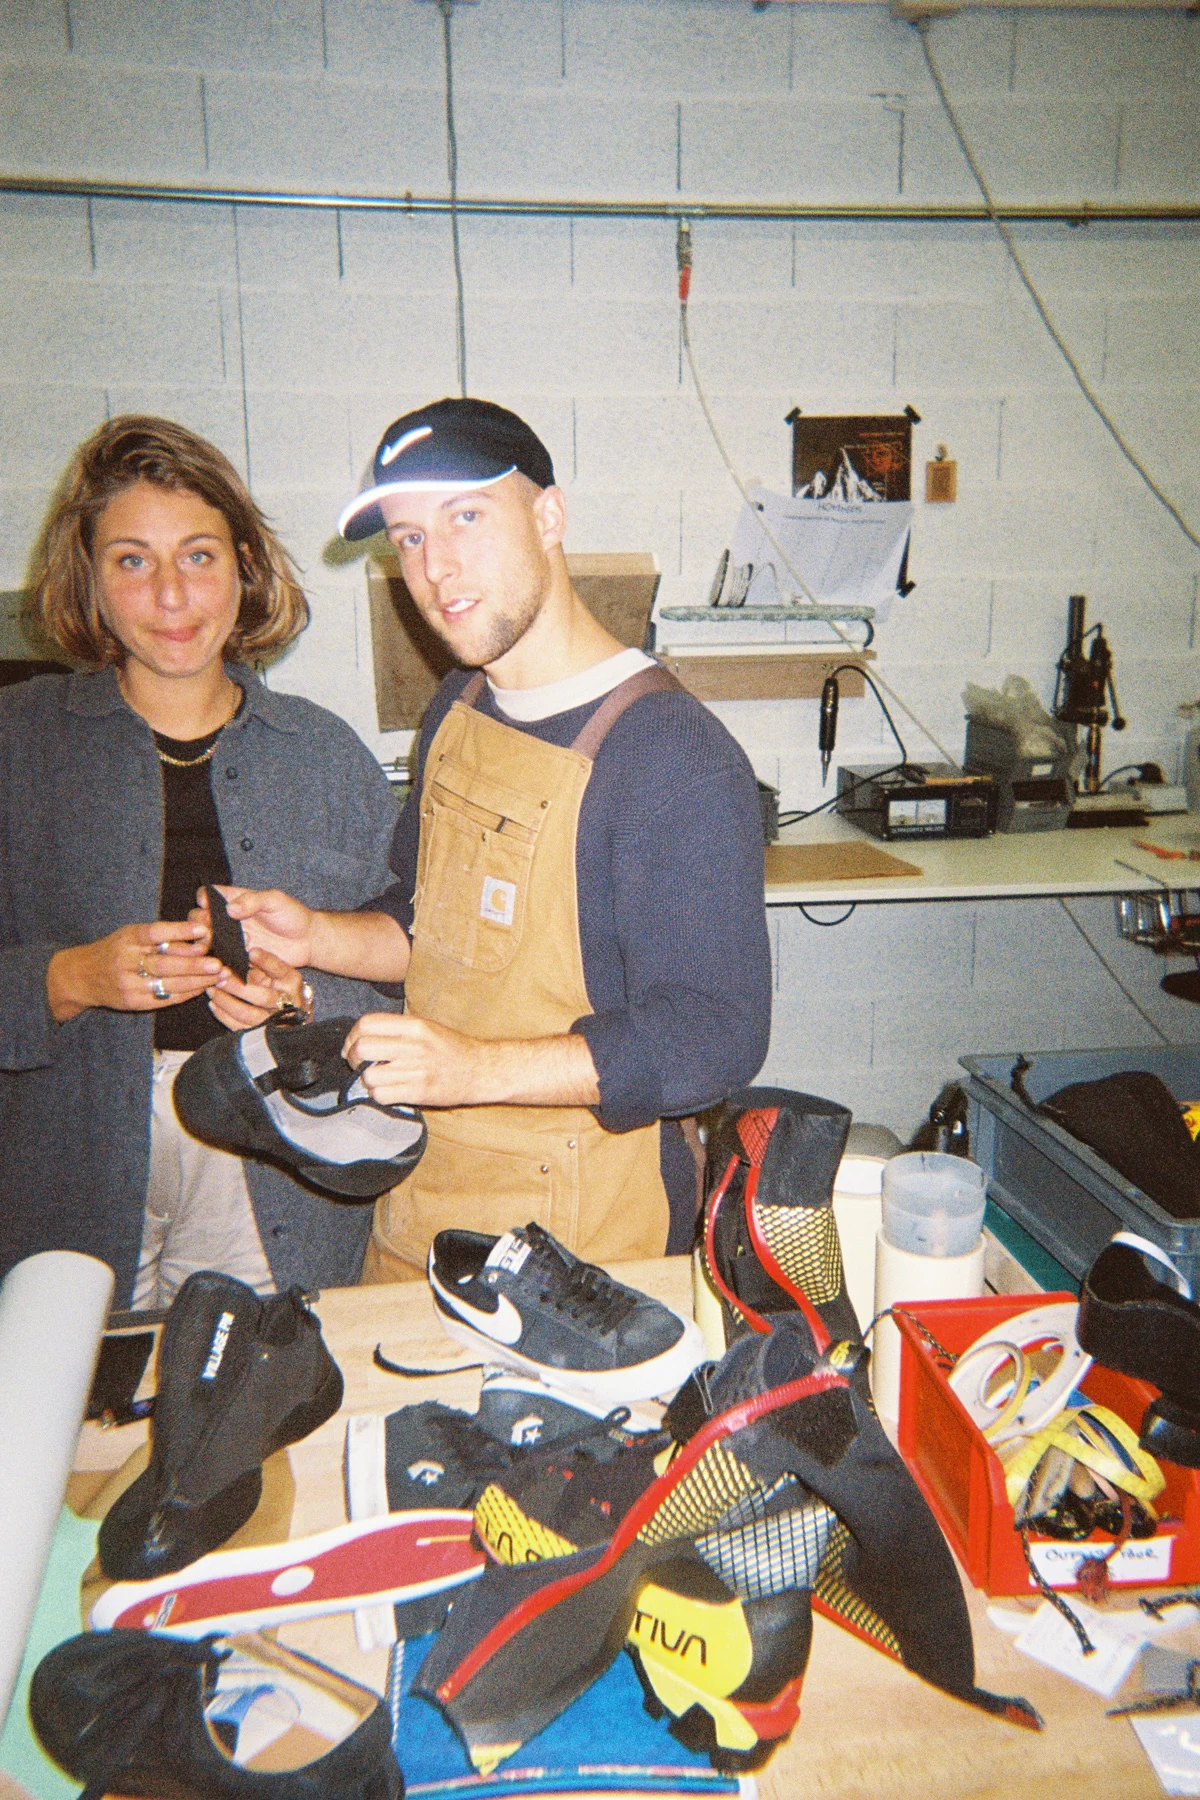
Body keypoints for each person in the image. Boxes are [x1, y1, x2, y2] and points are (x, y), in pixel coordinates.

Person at [215, 398, 772, 1277]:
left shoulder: (670, 754)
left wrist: (473, 1070)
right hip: (424, 1197)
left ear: (549, 517)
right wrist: (317, 936)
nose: (434, 567)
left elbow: (714, 1036)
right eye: (406, 538)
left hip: (581, 1247)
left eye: (464, 517)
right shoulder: (461, 705)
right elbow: (424, 923)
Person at [0, 416, 401, 1308]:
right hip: (64, 1160)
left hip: (268, 1155)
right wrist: (67, 978)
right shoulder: (20, 743)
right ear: (90, 581)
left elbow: (411, 969)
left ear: (245, 567)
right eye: (133, 561)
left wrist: (302, 1002)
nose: (173, 597)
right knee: (83, 1424)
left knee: (249, 1413)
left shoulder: (325, 754)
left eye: (200, 556)